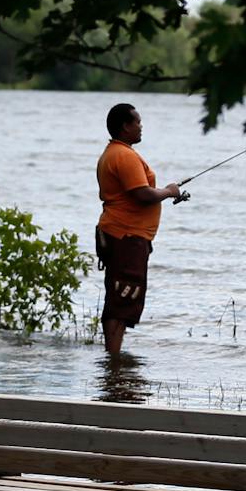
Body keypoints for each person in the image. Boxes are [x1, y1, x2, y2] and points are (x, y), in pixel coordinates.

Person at [94, 102, 184, 357]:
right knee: (123, 295)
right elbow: (142, 194)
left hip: (122, 235)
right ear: (125, 126)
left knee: (121, 294)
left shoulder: (115, 153)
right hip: (126, 236)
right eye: (137, 122)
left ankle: (113, 359)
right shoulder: (124, 155)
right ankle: (113, 361)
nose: (141, 126)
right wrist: (169, 191)